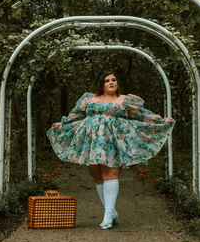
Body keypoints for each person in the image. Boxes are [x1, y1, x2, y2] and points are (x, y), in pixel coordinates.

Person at [47, 71, 175, 229]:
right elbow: (76, 114)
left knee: (111, 174)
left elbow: (141, 115)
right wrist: (62, 124)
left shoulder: (125, 100)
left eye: (114, 80)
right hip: (92, 141)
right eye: (107, 81)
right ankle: (112, 212)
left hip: (114, 140)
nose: (111, 83)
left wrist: (161, 120)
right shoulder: (90, 98)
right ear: (101, 84)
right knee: (97, 176)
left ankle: (107, 216)